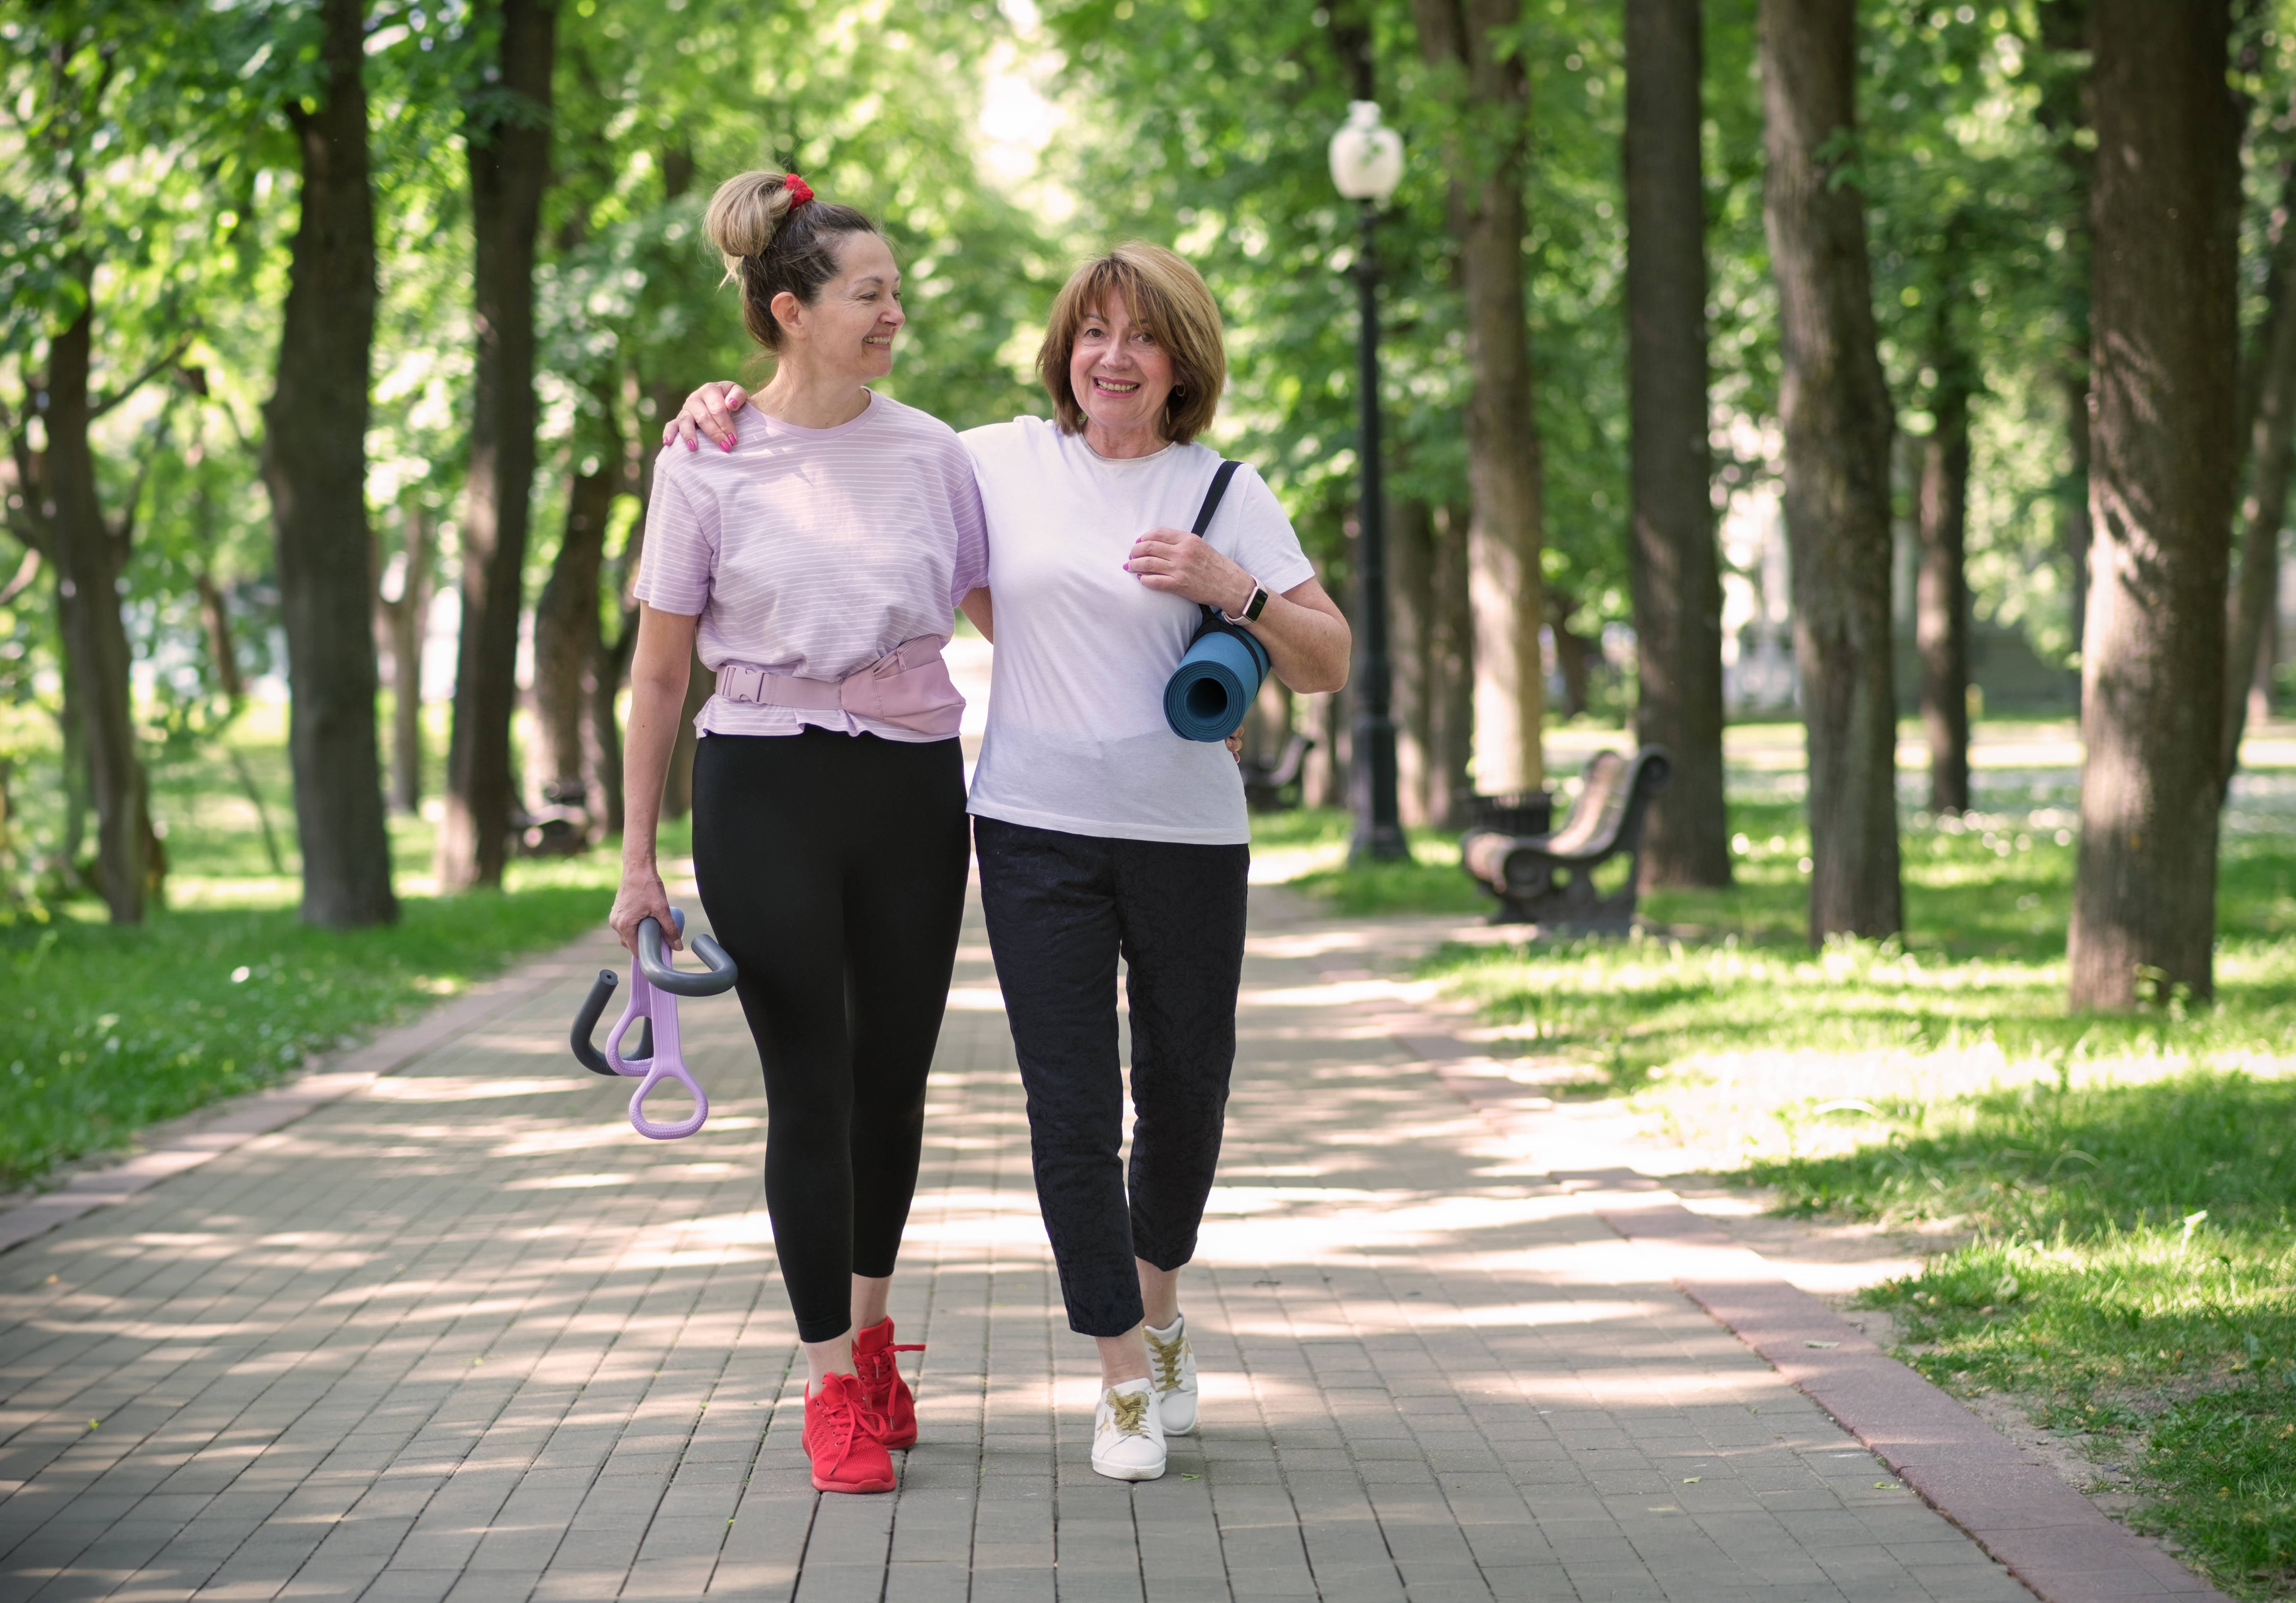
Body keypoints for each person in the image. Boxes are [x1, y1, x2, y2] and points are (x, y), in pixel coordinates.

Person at [669, 243, 1351, 1483]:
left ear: (1181, 360)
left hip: (1191, 833)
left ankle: (1162, 1311)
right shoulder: (987, 461)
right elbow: (832, 427)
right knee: (1072, 1114)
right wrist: (720, 401)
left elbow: (1328, 660)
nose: (1114, 358)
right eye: (1093, 333)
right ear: (1064, 352)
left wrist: (1233, 590)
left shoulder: (1226, 492)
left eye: (1142, 337)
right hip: (1033, 827)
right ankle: (1121, 1380)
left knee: (1187, 1095)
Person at [611, 170, 991, 1497]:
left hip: (910, 786)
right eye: (870, 294)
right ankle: (829, 1381)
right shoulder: (707, 458)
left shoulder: (938, 455)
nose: (896, 313)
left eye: (896, 292)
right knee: (811, 1084)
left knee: (893, 1082)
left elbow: (1010, 610)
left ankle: (877, 1335)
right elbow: (661, 673)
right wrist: (636, 858)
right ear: (792, 310)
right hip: (764, 786)